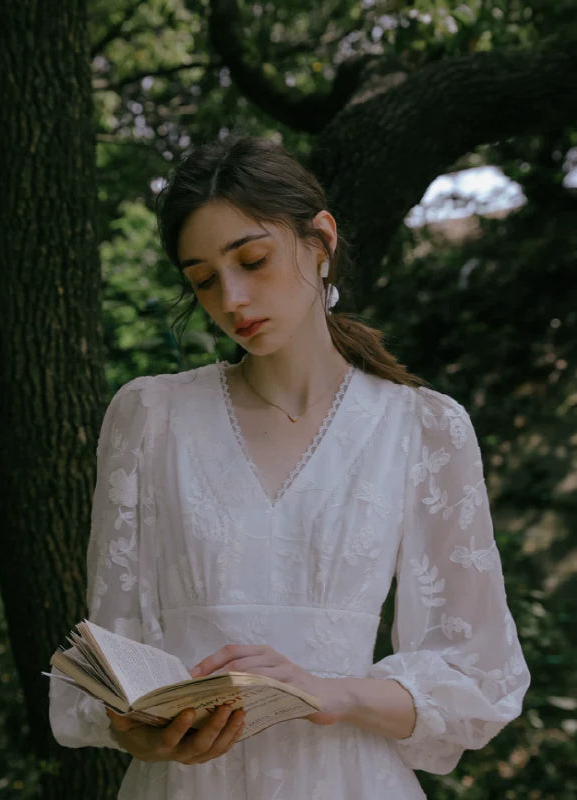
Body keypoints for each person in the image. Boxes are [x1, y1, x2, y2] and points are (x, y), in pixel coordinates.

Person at [49, 134, 530, 798]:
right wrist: (138, 731)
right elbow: (108, 655)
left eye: (253, 259)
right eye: (204, 280)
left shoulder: (424, 427)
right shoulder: (149, 416)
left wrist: (330, 693)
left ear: (320, 240)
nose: (233, 298)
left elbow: (480, 678)